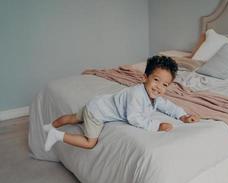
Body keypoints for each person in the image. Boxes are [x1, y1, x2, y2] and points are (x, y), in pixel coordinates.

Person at [43, 55, 200, 151]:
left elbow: (167, 106)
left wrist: (183, 116)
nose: (159, 87)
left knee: (72, 118)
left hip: (96, 103)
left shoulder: (154, 96)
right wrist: (157, 126)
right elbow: (133, 118)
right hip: (97, 113)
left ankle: (50, 126)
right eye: (156, 80)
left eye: (164, 85)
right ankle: (56, 135)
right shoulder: (136, 94)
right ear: (145, 77)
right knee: (90, 143)